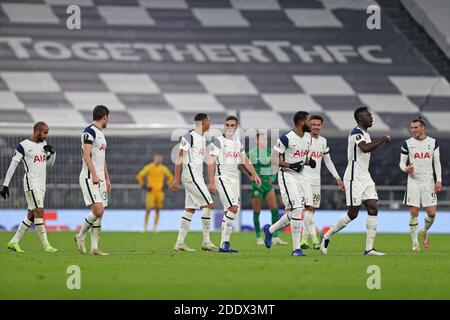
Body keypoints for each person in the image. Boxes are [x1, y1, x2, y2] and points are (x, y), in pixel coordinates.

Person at [319, 106, 390, 256]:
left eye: (371, 115)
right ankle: (326, 236)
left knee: (373, 208)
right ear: (359, 119)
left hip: (366, 176)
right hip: (353, 178)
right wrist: (382, 139)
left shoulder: (365, 133)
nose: (371, 118)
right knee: (353, 214)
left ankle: (369, 248)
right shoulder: (356, 132)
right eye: (367, 115)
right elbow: (364, 148)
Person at [263, 111, 316, 256]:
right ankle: (296, 249)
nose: (311, 124)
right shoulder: (286, 138)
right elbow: (273, 159)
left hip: (301, 176)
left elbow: (301, 156)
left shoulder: (308, 138)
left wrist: (308, 161)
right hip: (287, 176)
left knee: (296, 211)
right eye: (309, 121)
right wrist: (290, 166)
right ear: (301, 122)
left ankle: (270, 230)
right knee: (297, 209)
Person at [0, 121, 57, 253]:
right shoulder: (23, 146)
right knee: (39, 212)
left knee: (32, 215)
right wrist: (5, 185)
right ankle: (46, 246)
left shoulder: (43, 145)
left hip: (42, 184)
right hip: (31, 183)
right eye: (44, 133)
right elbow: (13, 165)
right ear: (37, 131)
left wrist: (52, 154)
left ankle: (13, 242)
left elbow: (49, 165)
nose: (46, 136)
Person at [208, 115, 261, 252]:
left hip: (234, 180)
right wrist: (212, 181)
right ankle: (224, 243)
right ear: (224, 126)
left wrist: (254, 174)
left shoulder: (237, 142)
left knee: (229, 211)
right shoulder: (218, 141)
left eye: (232, 125)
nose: (230, 127)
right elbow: (211, 161)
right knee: (233, 207)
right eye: (227, 125)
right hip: (222, 177)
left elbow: (245, 160)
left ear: (236, 127)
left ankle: (224, 244)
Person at [170, 113, 217, 252]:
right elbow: (179, 157)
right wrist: (176, 178)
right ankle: (206, 241)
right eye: (209, 120)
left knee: (190, 209)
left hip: (197, 176)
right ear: (203, 122)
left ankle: (179, 243)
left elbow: (208, 161)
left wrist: (212, 180)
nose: (211, 122)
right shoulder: (189, 136)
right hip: (191, 176)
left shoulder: (201, 139)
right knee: (209, 204)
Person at [300, 115, 344, 250]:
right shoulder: (304, 140)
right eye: (313, 124)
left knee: (311, 211)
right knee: (308, 208)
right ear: (309, 125)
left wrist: (337, 177)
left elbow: (328, 161)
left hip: (316, 180)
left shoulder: (323, 141)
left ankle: (303, 240)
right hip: (304, 178)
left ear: (321, 126)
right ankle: (314, 240)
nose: (315, 127)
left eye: (318, 125)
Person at [400, 117, 442, 251]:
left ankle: (424, 231)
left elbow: (437, 163)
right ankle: (414, 242)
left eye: (416, 127)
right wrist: (405, 168)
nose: (413, 130)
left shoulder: (433, 143)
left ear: (423, 128)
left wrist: (439, 180)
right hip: (413, 181)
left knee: (432, 213)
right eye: (411, 128)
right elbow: (401, 162)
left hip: (428, 181)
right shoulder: (407, 143)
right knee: (414, 212)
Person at [75, 105, 111, 256]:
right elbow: (86, 155)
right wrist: (95, 175)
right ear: (104, 117)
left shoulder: (101, 134)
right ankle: (80, 236)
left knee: (100, 214)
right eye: (108, 117)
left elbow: (101, 159)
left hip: (100, 179)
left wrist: (107, 178)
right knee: (98, 210)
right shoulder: (88, 131)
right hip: (90, 177)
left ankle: (94, 247)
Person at [241, 133, 287, 246]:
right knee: (257, 211)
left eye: (265, 139)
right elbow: (241, 165)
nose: (264, 141)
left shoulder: (270, 152)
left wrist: (273, 177)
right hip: (257, 185)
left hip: (268, 184)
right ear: (257, 141)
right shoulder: (251, 153)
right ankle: (258, 236)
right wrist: (249, 176)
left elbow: (276, 164)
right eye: (262, 139)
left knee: (275, 210)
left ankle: (275, 236)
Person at [136, 154, 173, 232]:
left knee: (158, 209)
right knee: (148, 209)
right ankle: (145, 227)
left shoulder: (163, 168)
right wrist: (144, 186)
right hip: (151, 192)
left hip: (160, 192)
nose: (158, 160)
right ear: (154, 159)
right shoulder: (149, 167)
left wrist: (166, 185)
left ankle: (154, 227)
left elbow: (171, 177)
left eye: (160, 159)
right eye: (157, 159)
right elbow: (139, 176)